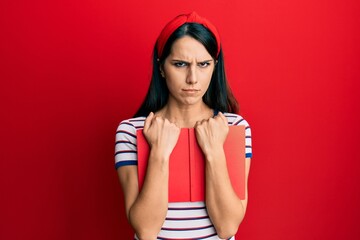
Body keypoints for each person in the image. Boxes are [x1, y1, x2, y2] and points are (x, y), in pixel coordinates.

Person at [115, 12, 252, 240]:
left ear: (214, 67)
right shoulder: (132, 131)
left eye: (204, 64)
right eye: (180, 64)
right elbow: (146, 230)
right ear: (161, 67)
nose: (193, 78)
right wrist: (158, 152)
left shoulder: (234, 127)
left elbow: (227, 227)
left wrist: (214, 151)